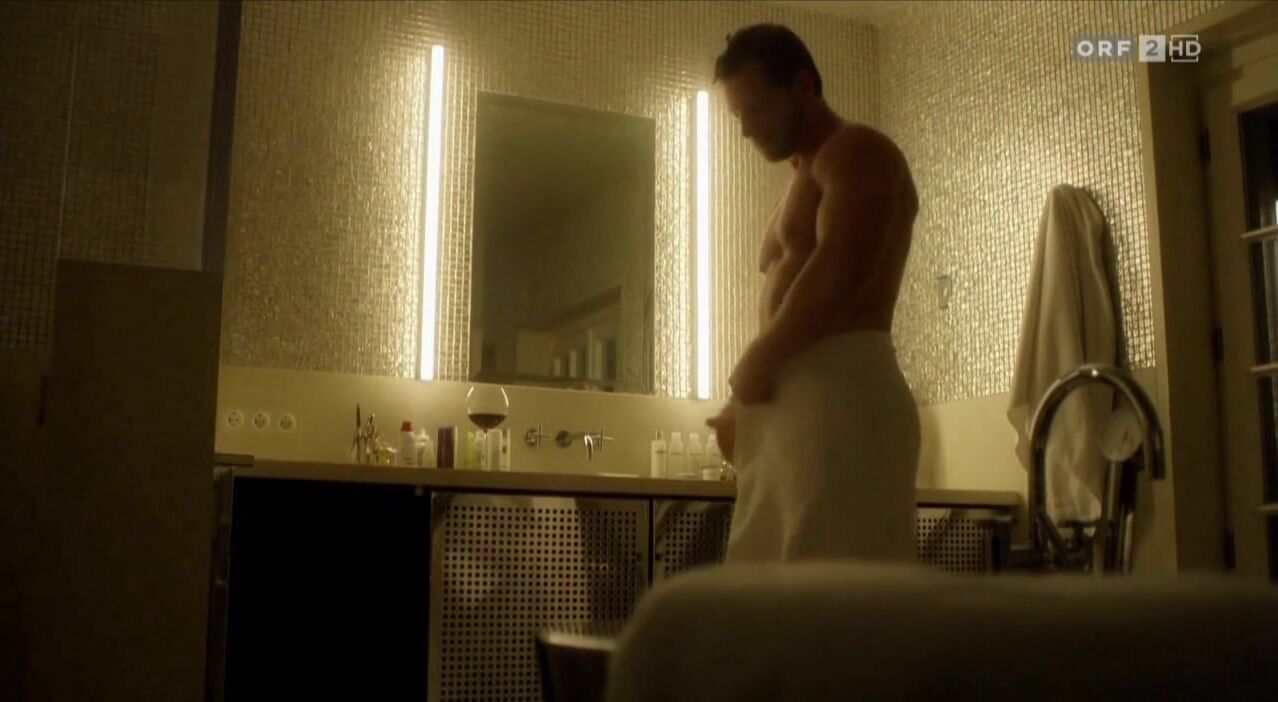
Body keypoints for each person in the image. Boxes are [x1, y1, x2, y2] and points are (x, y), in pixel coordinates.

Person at [705, 24, 921, 563]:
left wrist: (755, 364)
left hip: (845, 396)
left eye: (755, 109)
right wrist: (743, 403)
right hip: (803, 404)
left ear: (803, 87)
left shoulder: (857, 151)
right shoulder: (800, 177)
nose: (745, 130)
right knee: (775, 586)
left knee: (833, 589)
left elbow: (840, 275)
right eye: (737, 116)